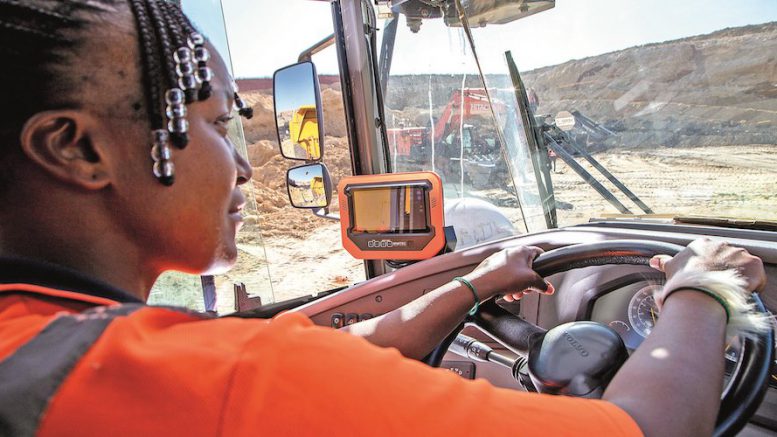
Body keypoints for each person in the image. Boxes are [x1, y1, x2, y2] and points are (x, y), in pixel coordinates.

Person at [0, 1, 770, 436]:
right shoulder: (219, 381)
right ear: (77, 147)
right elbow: (647, 428)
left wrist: (474, 285)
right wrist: (702, 290)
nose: (241, 165)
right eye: (215, 122)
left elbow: (342, 349)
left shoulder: (45, 345)